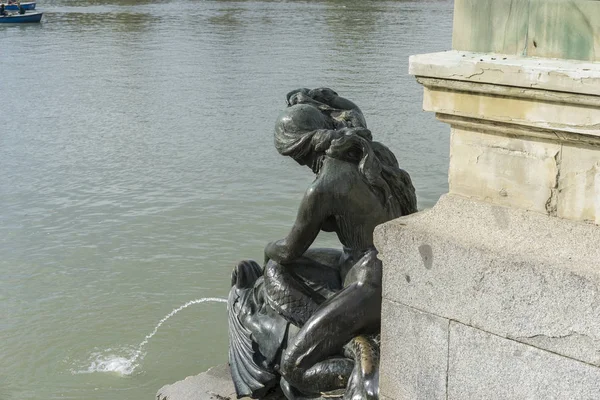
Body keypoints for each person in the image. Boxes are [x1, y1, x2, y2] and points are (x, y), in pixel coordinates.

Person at [228, 88, 417, 399]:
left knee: (293, 367)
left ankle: (365, 366)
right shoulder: (366, 148)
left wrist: (267, 250)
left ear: (300, 151)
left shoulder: (323, 186)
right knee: (278, 271)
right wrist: (318, 99)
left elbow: (290, 248)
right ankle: (334, 333)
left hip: (371, 283)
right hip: (381, 266)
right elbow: (351, 107)